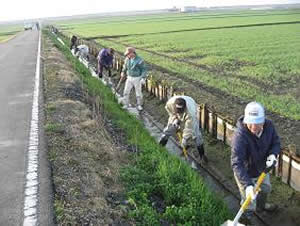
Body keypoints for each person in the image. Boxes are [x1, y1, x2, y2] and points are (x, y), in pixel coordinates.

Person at [231, 101, 280, 219]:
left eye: (257, 123)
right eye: (250, 123)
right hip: (246, 173)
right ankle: (247, 218)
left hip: (262, 168)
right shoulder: (240, 136)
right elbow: (237, 163)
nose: (253, 127)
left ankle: (261, 207)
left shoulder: (269, 126)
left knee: (266, 188)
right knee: (249, 201)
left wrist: (273, 154)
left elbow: (276, 142)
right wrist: (248, 185)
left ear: (263, 121)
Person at [158, 96, 208, 162]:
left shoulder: (191, 112)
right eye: (177, 111)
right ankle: (159, 148)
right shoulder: (170, 104)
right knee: (169, 129)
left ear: (184, 109)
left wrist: (184, 139)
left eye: (180, 111)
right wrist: (174, 119)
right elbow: (170, 112)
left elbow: (189, 128)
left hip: (191, 107)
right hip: (175, 115)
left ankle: (202, 155)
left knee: (196, 134)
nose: (179, 113)